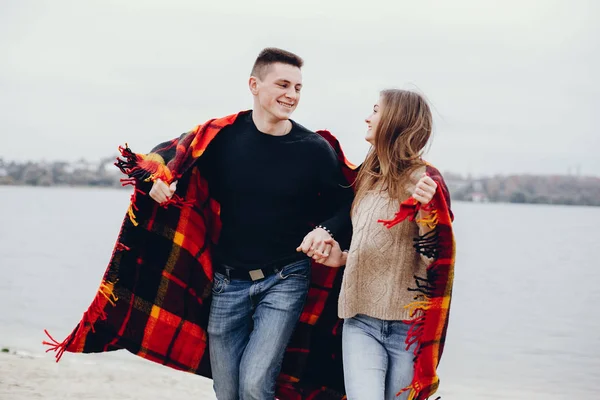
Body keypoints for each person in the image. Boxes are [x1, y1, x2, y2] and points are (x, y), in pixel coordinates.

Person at [147, 48, 353, 399]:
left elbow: (346, 207)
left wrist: (325, 230)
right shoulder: (221, 137)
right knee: (226, 390)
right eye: (283, 84)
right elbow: (168, 158)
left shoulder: (314, 149)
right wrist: (160, 180)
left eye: (299, 88)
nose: (292, 95)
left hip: (286, 278)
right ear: (254, 85)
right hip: (228, 283)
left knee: (256, 383)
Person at [305, 89, 456, 400]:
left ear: (396, 121)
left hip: (407, 329)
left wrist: (430, 213)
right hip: (359, 320)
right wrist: (343, 258)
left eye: (376, 111)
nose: (368, 117)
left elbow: (438, 264)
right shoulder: (367, 178)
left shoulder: (427, 181)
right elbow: (378, 242)